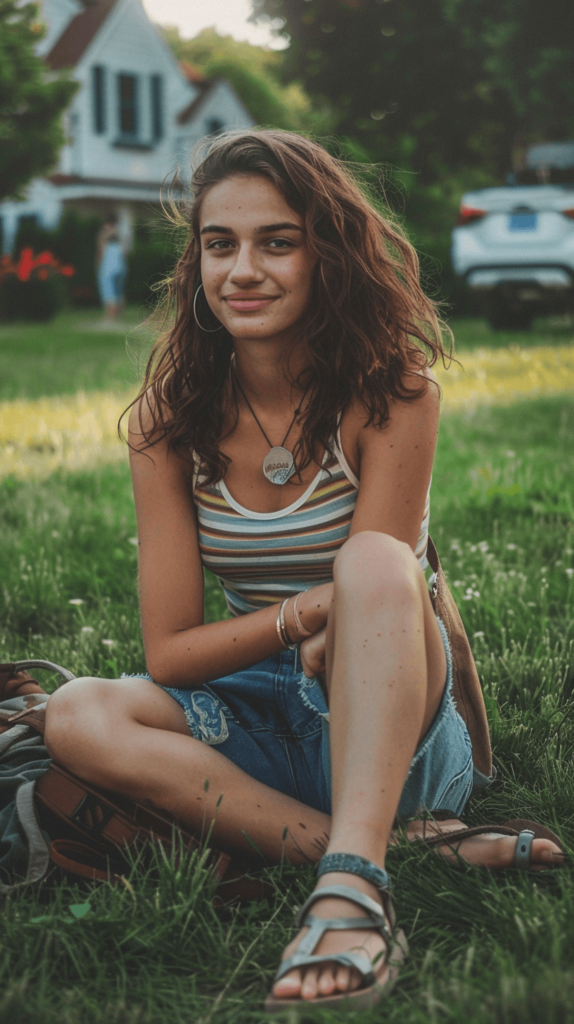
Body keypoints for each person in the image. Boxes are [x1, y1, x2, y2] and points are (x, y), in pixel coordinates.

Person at [44, 131, 564, 1011]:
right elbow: (169, 654)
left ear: (328, 254)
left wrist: (357, 612)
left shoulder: (395, 394)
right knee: (78, 710)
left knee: (371, 560)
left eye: (276, 242)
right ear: (196, 264)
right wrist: (301, 613)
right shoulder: (167, 424)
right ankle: (394, 848)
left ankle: (353, 891)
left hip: (390, 719)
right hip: (262, 713)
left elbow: (391, 585)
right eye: (220, 245)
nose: (243, 269)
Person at [96, 213, 127, 321]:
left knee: (108, 291)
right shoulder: (120, 233)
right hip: (121, 264)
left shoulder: (105, 232)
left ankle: (110, 318)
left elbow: (100, 249)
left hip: (108, 265)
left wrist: (98, 264)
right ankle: (118, 316)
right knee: (118, 292)